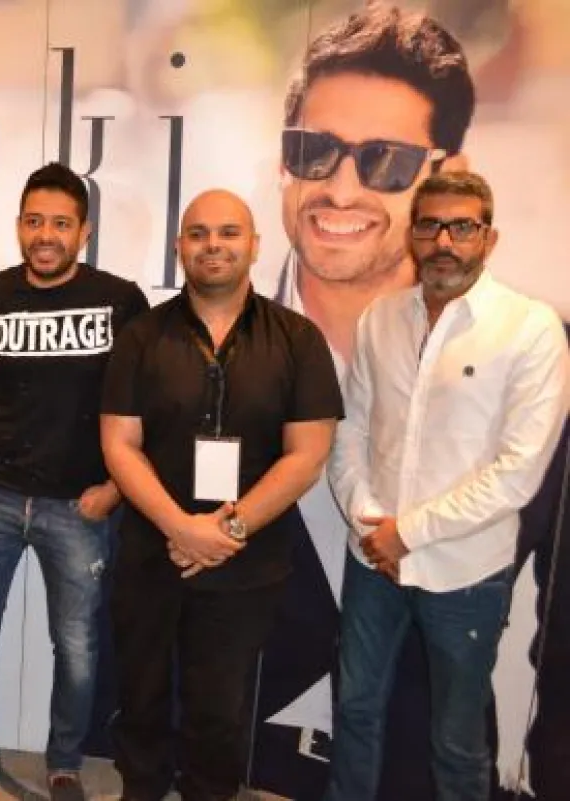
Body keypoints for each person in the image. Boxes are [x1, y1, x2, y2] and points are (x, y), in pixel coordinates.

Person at [255, 8, 477, 795]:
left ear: (444, 173)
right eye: (313, 151)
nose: (341, 188)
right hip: (241, 754)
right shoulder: (208, 342)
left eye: (385, 159)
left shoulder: (523, 348)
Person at [323, 170, 569, 801]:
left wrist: (407, 533)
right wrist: (369, 521)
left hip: (466, 573)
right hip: (371, 562)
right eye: (430, 225)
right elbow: (350, 431)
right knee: (354, 712)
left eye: (462, 227)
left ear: (489, 238)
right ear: (412, 234)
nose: (444, 242)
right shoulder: (380, 319)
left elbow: (518, 471)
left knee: (457, 741)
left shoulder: (530, 327)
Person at [100, 189, 343, 801]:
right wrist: (182, 527)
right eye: (199, 233)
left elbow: (308, 454)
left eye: (229, 233)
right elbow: (119, 444)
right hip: (152, 554)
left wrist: (228, 529)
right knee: (141, 693)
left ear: (254, 245)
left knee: (220, 707)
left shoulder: (298, 339)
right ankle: (142, 788)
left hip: (245, 563)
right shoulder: (141, 336)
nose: (214, 245)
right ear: (180, 246)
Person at [0, 162, 149, 801]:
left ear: (84, 231)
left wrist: (117, 488)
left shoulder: (121, 301)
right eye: (33, 221)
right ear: (19, 225)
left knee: (76, 645)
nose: (45, 235)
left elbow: (147, 407)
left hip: (79, 508)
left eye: (60, 223)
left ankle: (64, 764)